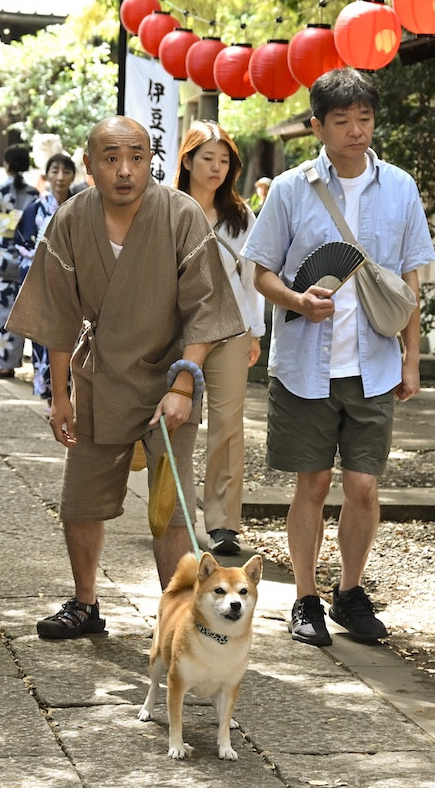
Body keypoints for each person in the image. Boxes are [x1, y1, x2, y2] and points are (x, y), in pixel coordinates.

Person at [5, 116, 245, 639]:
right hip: (100, 374)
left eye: (136, 157)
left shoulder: (180, 215)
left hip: (170, 375)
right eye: (110, 158)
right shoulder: (71, 219)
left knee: (170, 506)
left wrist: (185, 384)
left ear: (151, 162)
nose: (124, 170)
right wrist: (60, 392)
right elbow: (57, 311)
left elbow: (205, 308)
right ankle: (85, 604)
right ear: (89, 165)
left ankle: (181, 622)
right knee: (80, 498)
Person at [241, 67, 435, 648]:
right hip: (305, 362)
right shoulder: (291, 188)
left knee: (363, 486)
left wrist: (412, 359)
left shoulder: (399, 187)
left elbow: (408, 283)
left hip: (374, 361)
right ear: (317, 126)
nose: (356, 131)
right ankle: (305, 599)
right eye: (343, 121)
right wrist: (297, 298)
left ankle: (349, 593)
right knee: (311, 482)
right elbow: (260, 272)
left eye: (365, 119)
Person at [174, 121, 265, 555]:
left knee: (228, 425)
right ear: (188, 159)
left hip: (231, 330)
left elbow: (252, 276)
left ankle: (223, 522)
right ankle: (172, 512)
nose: (216, 167)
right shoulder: (166, 207)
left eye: (224, 160)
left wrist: (254, 331)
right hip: (177, 331)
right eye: (207, 158)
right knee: (175, 421)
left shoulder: (241, 215)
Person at [14, 152, 76, 406]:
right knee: (44, 338)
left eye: (66, 172)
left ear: (74, 175)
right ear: (47, 175)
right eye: (55, 171)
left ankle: (72, 390)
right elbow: (20, 243)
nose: (60, 178)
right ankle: (49, 389)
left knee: (72, 335)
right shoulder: (34, 209)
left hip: (74, 281)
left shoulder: (81, 205)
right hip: (42, 279)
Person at [0, 145, 39, 378]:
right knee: (16, 312)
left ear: (7, 165)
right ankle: (10, 363)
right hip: (24, 260)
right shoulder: (34, 195)